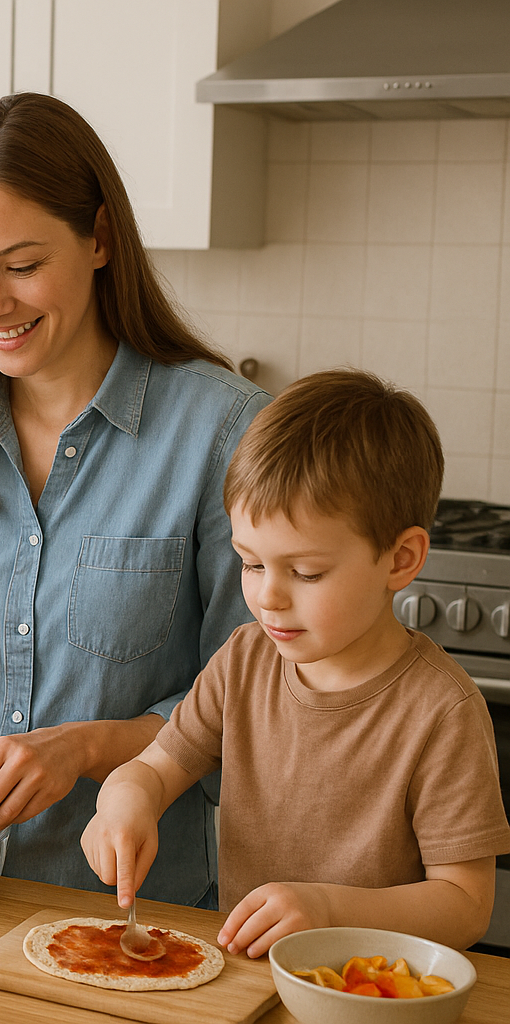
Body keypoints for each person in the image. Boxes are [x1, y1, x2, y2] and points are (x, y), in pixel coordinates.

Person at [0, 93, 270, 907]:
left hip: (131, 910)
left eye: (21, 266)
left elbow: (247, 703)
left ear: (99, 239)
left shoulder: (224, 431)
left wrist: (88, 748)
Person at [82, 369, 510, 957]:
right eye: (251, 563)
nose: (267, 597)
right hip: (248, 981)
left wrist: (327, 910)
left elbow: (465, 905)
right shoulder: (243, 662)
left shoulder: (442, 711)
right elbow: (154, 769)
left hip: (372, 997)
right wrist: (125, 799)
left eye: (305, 572)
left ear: (400, 559)